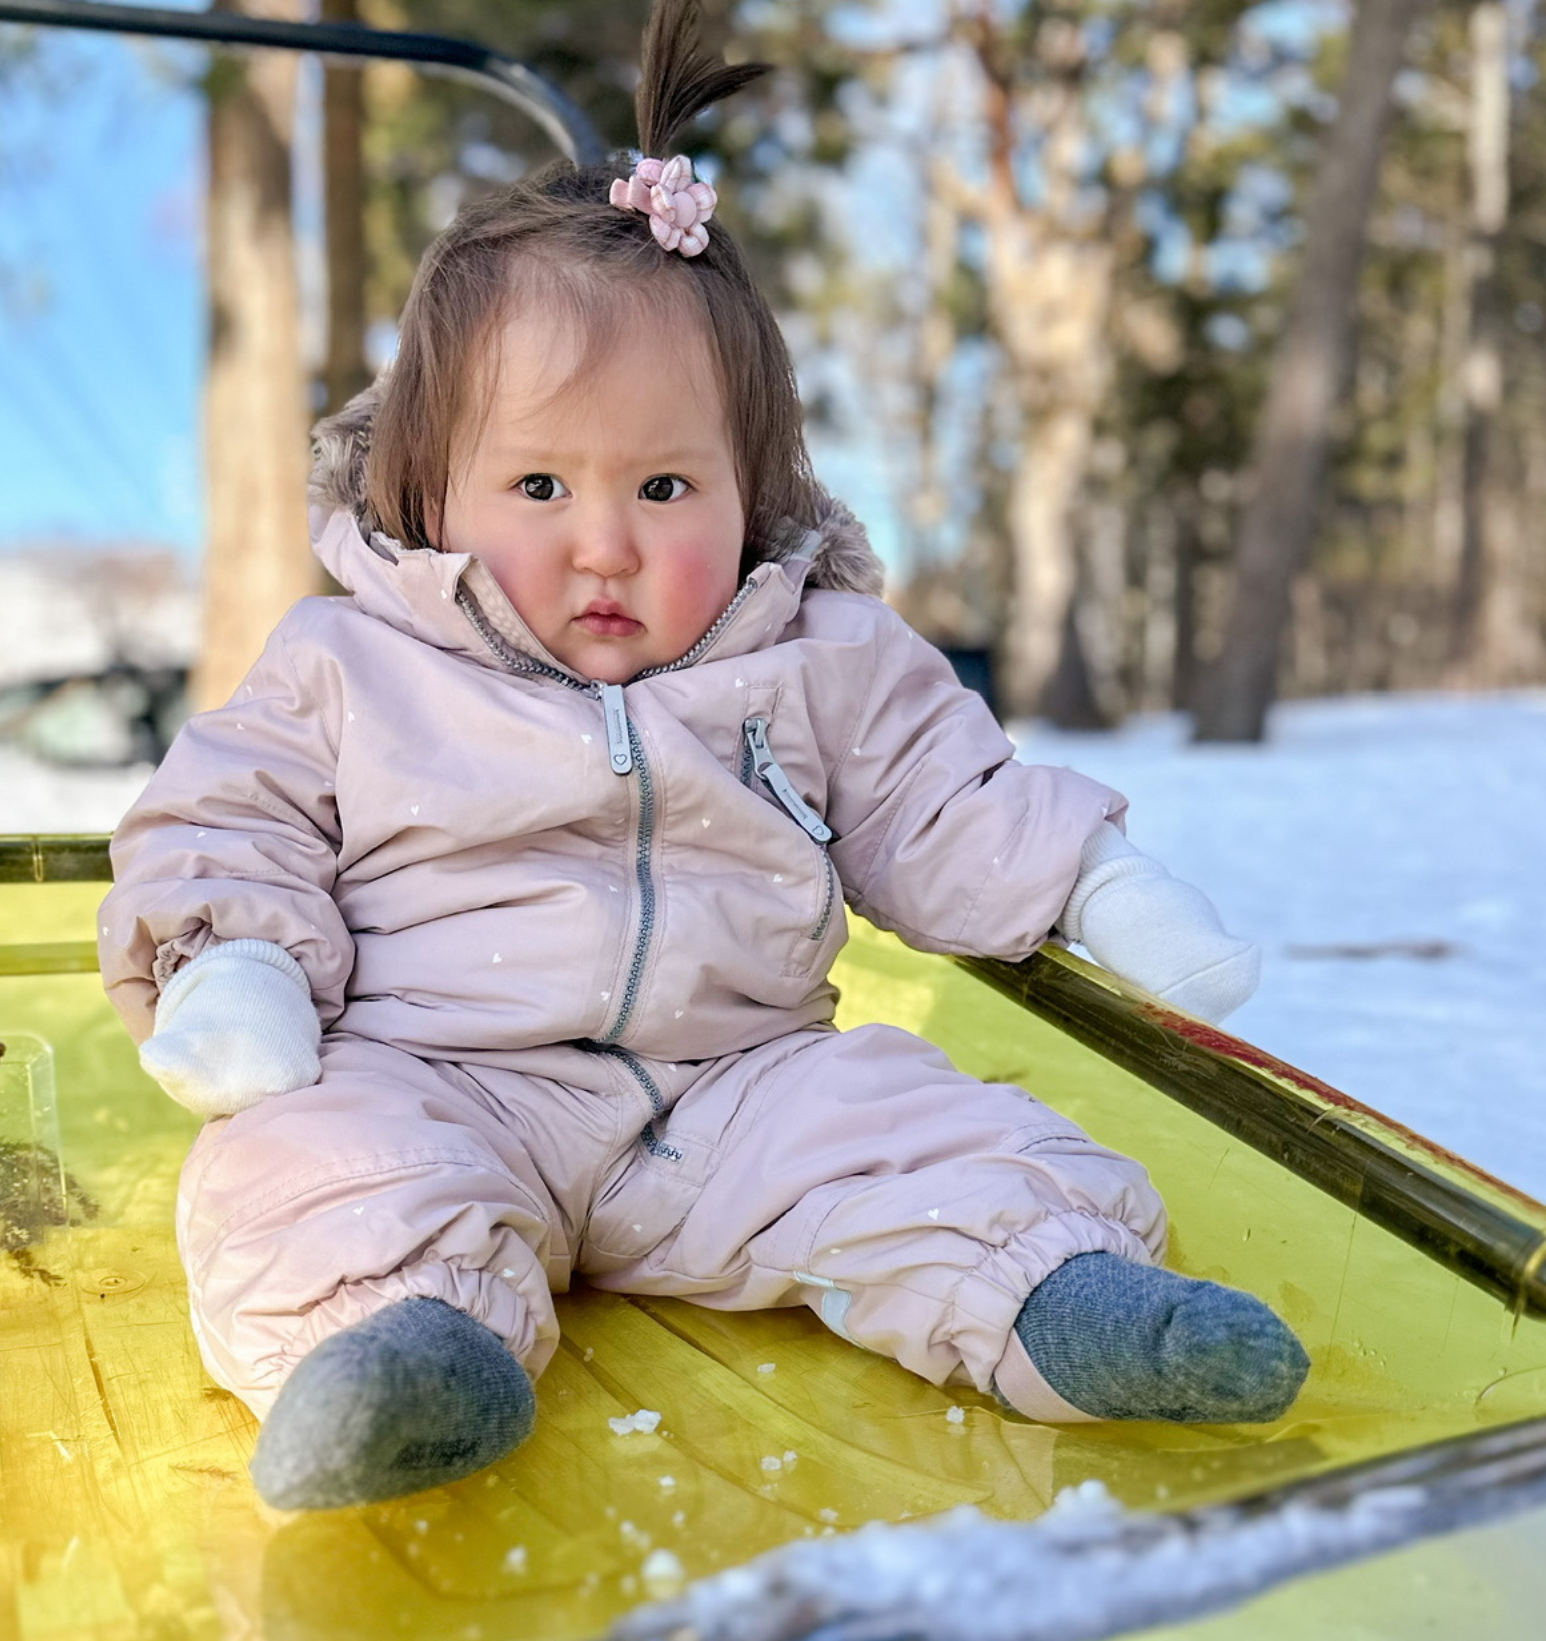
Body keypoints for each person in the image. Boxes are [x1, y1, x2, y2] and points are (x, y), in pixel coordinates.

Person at [98, 0, 1308, 1512]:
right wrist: (236, 962)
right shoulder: (351, 664)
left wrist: (1094, 878)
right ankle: (404, 1352)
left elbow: (947, 795)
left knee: (930, 1124)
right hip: (439, 1075)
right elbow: (230, 819)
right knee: (308, 1158)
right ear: (433, 484)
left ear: (755, 490)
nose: (605, 541)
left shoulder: (818, 659)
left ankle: (1065, 1303)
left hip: (743, 1091)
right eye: (538, 482)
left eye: (665, 483)